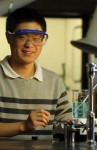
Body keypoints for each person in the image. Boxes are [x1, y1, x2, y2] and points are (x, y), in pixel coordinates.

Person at [0, 7, 72, 140]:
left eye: (37, 38)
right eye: (22, 37)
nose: (30, 45)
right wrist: (24, 126)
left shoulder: (54, 81)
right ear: (9, 37)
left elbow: (66, 125)